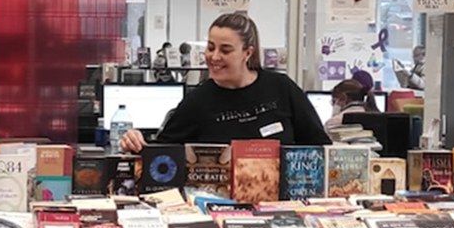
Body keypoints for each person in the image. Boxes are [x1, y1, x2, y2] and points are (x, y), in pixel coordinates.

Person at [118, 13, 330, 151]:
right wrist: (133, 141)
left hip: (282, 205)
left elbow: (320, 147)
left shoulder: (282, 88)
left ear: (248, 53)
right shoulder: (198, 101)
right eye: (210, 47)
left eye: (225, 50)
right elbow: (160, 152)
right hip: (215, 205)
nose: (214, 56)